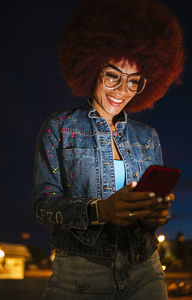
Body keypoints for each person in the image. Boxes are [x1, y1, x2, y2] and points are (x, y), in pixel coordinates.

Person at [32, 0, 184, 299]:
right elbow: (43, 205)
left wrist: (157, 214)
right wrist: (101, 210)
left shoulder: (147, 136)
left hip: (146, 273)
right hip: (79, 277)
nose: (121, 90)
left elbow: (154, 214)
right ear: (91, 66)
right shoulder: (59, 127)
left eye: (133, 81)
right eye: (113, 75)